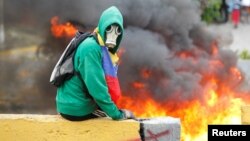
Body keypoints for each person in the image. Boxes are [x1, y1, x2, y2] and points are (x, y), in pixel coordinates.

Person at [56, 6, 135, 121]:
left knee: (104, 109)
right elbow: (97, 88)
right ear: (103, 27)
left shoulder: (96, 43)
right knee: (107, 115)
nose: (113, 35)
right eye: (109, 29)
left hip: (70, 104)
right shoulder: (91, 49)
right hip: (75, 108)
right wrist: (117, 114)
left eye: (117, 31)